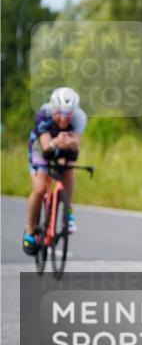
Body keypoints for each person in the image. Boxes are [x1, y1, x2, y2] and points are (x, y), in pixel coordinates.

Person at [23, 87, 87, 255]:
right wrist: (56, 142)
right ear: (54, 109)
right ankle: (29, 230)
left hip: (61, 146)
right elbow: (46, 149)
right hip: (40, 147)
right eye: (61, 113)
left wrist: (68, 144)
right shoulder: (44, 114)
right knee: (40, 188)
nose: (65, 119)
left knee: (69, 171)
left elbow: (75, 147)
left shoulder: (79, 118)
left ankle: (68, 210)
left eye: (69, 114)